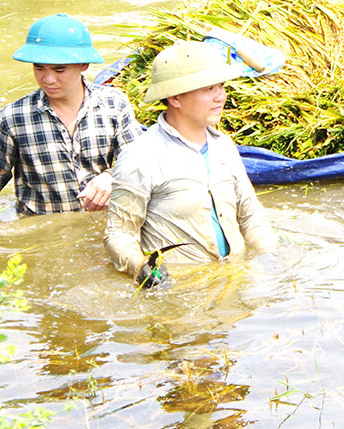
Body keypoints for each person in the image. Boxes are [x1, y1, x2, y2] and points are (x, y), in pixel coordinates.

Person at [105, 40, 276, 287]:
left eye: (221, 86)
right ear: (175, 98)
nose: (221, 96)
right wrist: (142, 268)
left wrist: (267, 256)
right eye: (208, 89)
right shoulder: (140, 157)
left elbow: (250, 214)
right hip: (182, 289)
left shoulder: (224, 146)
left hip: (234, 282)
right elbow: (119, 234)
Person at [0, 14, 141, 219]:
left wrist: (111, 177)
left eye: (59, 70)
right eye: (39, 68)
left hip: (103, 226)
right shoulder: (13, 118)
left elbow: (138, 163)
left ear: (83, 64)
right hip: (43, 230)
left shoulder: (114, 104)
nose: (48, 79)